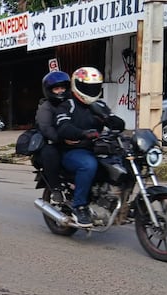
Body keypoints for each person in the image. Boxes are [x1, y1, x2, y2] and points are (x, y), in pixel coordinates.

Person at [55, 66, 125, 227]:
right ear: (76, 85)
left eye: (94, 87)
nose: (91, 90)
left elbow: (116, 122)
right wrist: (83, 133)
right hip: (73, 150)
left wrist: (112, 120)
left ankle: (113, 199)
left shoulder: (100, 105)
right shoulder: (67, 105)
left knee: (122, 163)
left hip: (97, 148)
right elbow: (63, 127)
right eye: (87, 87)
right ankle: (79, 206)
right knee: (89, 165)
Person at [35, 71, 71, 204]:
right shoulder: (46, 107)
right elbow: (46, 128)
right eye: (57, 88)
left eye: (63, 88)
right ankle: (55, 188)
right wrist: (63, 139)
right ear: (49, 90)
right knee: (51, 153)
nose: (61, 91)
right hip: (54, 143)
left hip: (74, 140)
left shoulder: (72, 103)